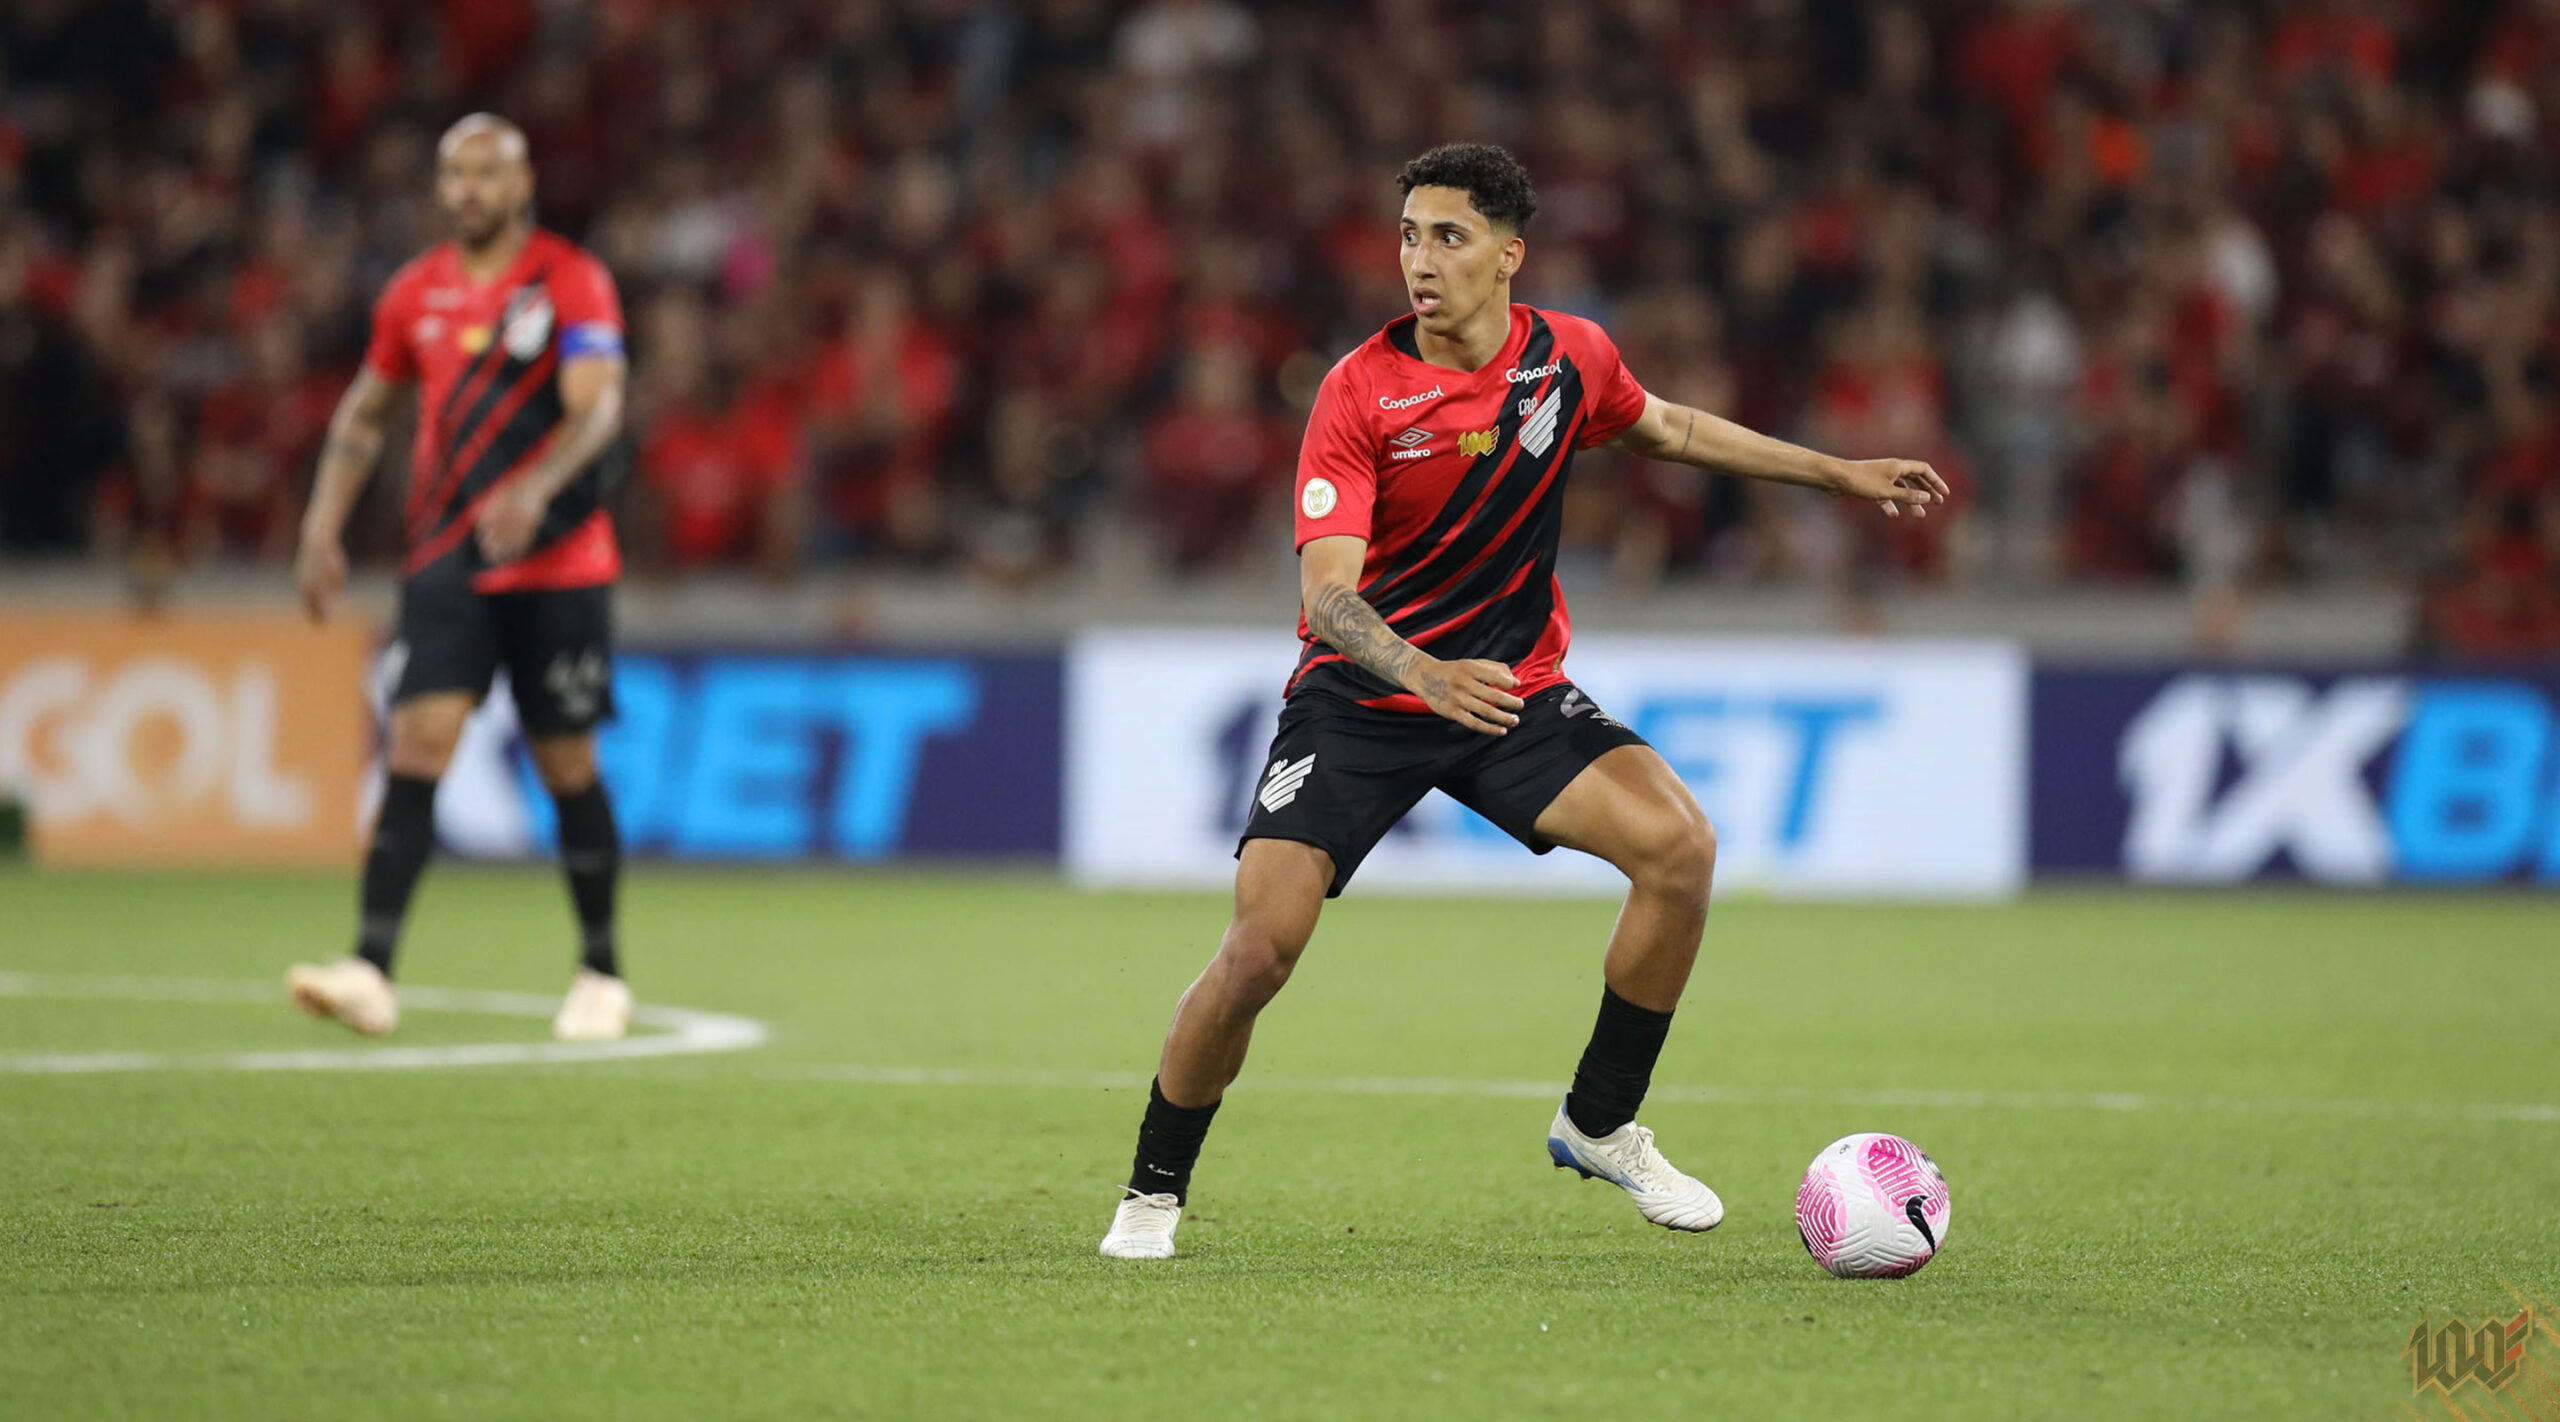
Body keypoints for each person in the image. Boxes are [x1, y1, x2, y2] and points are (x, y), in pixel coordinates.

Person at [1100, 143, 1947, 1259]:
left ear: (1509, 254)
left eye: (1446, 236)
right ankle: (1152, 1192)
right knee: (1261, 947)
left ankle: (1599, 1123)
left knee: (1679, 850)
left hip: (1510, 692)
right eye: (1407, 234)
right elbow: (1326, 596)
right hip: (1363, 699)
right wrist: (1423, 674)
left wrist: (1836, 472)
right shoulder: (1357, 390)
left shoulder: (1568, 357)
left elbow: (1672, 429)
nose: (1419, 259)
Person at [285, 114, 634, 1042]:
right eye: (454, 174)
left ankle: (600, 970)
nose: (468, 189)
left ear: (522, 185)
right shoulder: (415, 292)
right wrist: (322, 524)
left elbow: (598, 416)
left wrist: (538, 486)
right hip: (447, 557)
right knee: (418, 745)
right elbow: (367, 412)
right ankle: (369, 967)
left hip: (562, 561)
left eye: (486, 173)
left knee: (566, 763)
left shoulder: (571, 280)